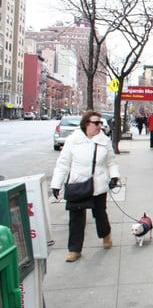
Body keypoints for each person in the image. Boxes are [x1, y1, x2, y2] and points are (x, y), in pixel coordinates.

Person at [50, 111, 120, 262]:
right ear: (86, 124)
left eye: (101, 123)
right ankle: (74, 250)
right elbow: (63, 164)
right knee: (76, 218)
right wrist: (56, 184)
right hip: (78, 185)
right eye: (96, 123)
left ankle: (105, 234)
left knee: (100, 214)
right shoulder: (73, 140)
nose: (100, 126)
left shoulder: (104, 141)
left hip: (98, 185)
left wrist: (114, 177)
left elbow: (111, 162)